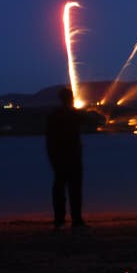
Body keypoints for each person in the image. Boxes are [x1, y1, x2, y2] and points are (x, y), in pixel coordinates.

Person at [46, 88, 87, 228]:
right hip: (73, 157)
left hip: (59, 157)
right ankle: (76, 219)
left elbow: (49, 139)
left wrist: (52, 157)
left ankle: (59, 219)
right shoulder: (73, 115)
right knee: (75, 189)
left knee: (59, 189)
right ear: (70, 98)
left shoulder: (54, 115)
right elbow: (93, 121)